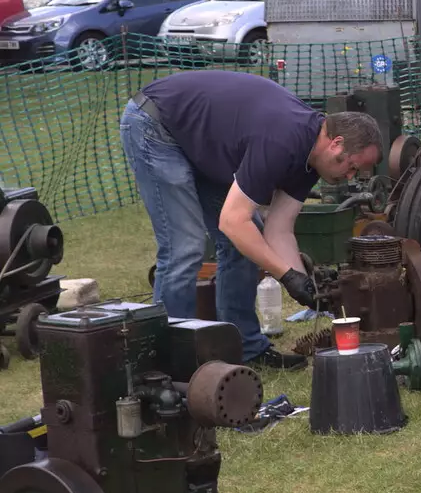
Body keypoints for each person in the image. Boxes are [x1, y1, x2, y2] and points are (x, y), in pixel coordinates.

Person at [119, 72, 382, 369]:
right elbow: (232, 222)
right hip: (155, 123)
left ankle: (245, 348)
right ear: (336, 143)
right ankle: (168, 361)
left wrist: (307, 287)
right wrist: (287, 275)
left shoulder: (311, 160)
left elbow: (279, 230)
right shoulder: (283, 139)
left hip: (199, 142)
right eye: (351, 167)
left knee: (249, 238)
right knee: (185, 245)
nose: (349, 178)